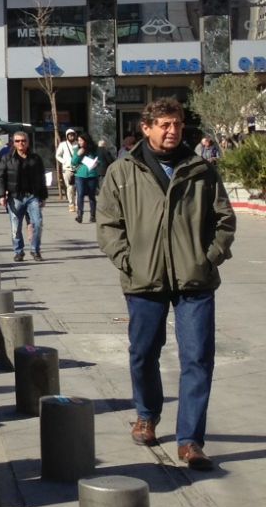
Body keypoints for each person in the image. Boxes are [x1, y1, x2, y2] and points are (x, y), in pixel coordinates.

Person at [98, 97, 236, 470]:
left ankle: (190, 440)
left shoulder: (201, 170)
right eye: (165, 125)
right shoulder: (122, 171)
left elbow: (224, 219)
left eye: (177, 124)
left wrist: (208, 257)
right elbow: (109, 224)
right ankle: (146, 415)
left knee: (198, 360)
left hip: (194, 280)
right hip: (144, 280)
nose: (173, 131)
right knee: (143, 353)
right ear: (146, 128)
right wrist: (127, 261)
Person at [0, 129, 50, 261]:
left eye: (23, 141)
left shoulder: (35, 159)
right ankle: (18, 251)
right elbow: (0, 177)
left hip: (33, 196)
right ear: (13, 143)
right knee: (16, 227)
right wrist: (1, 195)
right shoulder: (7, 159)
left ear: (28, 142)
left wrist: (43, 196)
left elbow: (41, 178)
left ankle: (35, 250)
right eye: (17, 141)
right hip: (15, 197)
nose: (21, 143)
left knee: (37, 223)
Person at [70, 131, 105, 222]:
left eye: (81, 140)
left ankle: (93, 215)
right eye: (78, 140)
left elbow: (100, 160)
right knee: (80, 195)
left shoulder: (94, 149)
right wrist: (78, 155)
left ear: (86, 140)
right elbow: (73, 162)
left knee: (92, 196)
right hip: (80, 175)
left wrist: (96, 163)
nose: (79, 142)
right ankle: (80, 215)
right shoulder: (77, 150)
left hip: (92, 175)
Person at [55, 129, 77, 203]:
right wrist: (64, 162)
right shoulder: (63, 144)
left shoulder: (77, 144)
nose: (71, 136)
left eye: (73, 135)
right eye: (70, 135)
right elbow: (57, 155)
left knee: (78, 187)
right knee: (70, 187)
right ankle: (71, 203)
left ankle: (78, 204)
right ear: (67, 136)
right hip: (67, 169)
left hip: (77, 168)